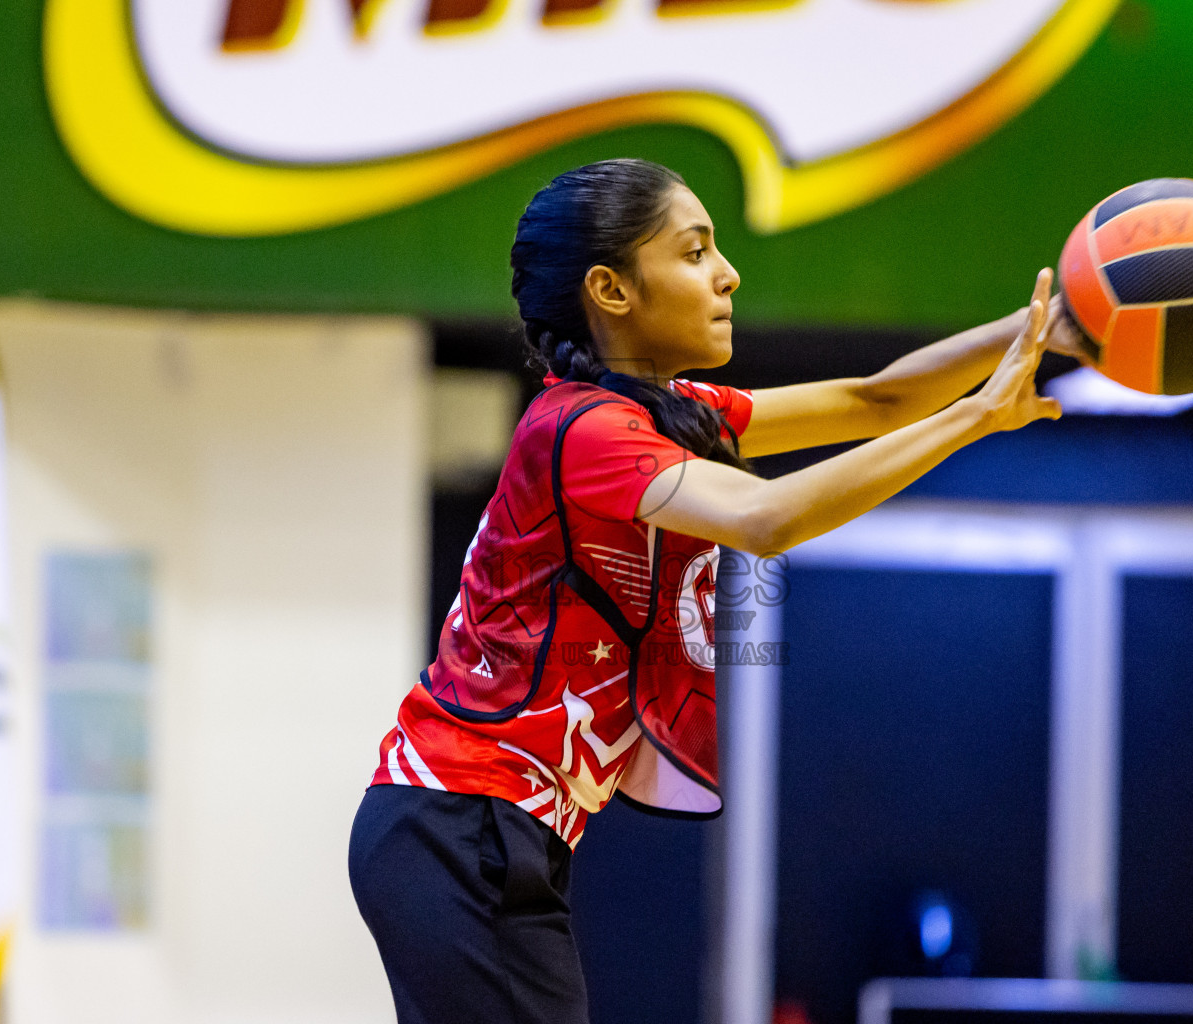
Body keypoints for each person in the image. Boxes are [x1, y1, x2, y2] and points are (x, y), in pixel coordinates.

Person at [348, 158, 1083, 1024]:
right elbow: (768, 517)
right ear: (611, 289)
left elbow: (875, 398)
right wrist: (975, 418)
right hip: (458, 820)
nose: (728, 273)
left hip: (482, 827)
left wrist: (1044, 329)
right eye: (696, 252)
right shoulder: (583, 430)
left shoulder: (669, 411)